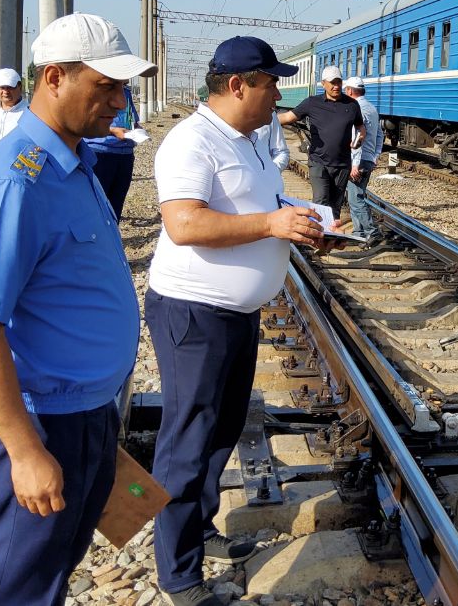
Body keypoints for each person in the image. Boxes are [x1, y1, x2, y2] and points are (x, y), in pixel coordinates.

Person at [0, 13, 156, 606]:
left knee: (52, 572)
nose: (118, 101)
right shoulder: (15, 183)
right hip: (44, 423)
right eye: (105, 86)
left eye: (123, 88)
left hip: (88, 414)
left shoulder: (76, 163)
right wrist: (24, 453)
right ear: (54, 78)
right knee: (17, 589)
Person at [146, 36, 339, 606]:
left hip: (236, 312)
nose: (279, 94)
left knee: (222, 429)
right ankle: (178, 575)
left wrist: (304, 227)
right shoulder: (191, 141)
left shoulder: (252, 141)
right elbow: (184, 224)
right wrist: (272, 226)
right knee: (188, 439)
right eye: (271, 83)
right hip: (194, 312)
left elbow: (257, 210)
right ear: (238, 85)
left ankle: (199, 528)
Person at [278, 65, 362, 218]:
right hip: (318, 162)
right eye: (332, 83)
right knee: (321, 202)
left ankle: (331, 231)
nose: (336, 86)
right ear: (323, 84)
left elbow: (360, 127)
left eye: (339, 82)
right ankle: (318, 231)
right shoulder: (312, 103)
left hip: (342, 165)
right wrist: (262, 120)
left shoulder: (352, 105)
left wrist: (360, 138)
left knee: (335, 207)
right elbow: (287, 117)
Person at [84, 82, 143, 221]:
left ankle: (112, 232)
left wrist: (137, 129)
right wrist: (112, 131)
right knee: (97, 203)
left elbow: (131, 119)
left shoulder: (126, 92)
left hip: (125, 154)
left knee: (116, 203)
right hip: (101, 152)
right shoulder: (96, 89)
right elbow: (85, 120)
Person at [343, 75, 384, 244]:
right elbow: (380, 135)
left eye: (345, 90)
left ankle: (372, 231)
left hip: (358, 161)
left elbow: (357, 138)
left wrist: (354, 165)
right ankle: (358, 233)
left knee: (355, 199)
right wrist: (375, 156)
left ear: (350, 91)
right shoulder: (372, 109)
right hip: (368, 159)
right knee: (355, 196)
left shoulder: (356, 109)